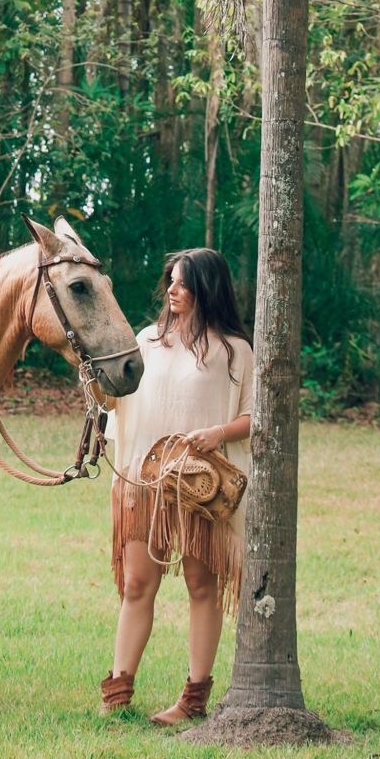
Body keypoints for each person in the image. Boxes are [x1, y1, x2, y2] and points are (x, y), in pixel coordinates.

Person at [99, 248, 253, 726]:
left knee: (201, 586)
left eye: (183, 283)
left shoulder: (234, 351)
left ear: (207, 290)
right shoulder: (146, 341)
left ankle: (193, 699)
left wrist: (217, 435)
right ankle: (118, 691)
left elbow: (255, 415)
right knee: (137, 584)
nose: (171, 290)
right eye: (170, 280)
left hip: (199, 487)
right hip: (145, 481)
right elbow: (118, 400)